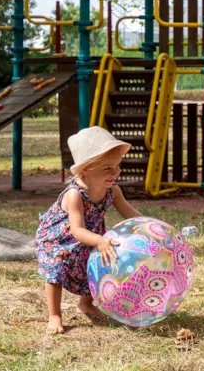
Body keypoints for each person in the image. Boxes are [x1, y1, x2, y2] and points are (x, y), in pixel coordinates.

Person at [34, 126, 143, 333]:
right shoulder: (75, 194)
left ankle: (86, 303)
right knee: (57, 269)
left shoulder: (113, 191)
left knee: (98, 265)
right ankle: (55, 315)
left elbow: (130, 214)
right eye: (107, 169)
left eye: (118, 166)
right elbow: (76, 230)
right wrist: (99, 240)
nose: (116, 172)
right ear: (85, 170)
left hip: (90, 236)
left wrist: (150, 225)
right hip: (58, 239)